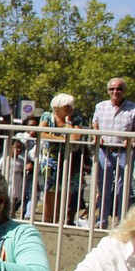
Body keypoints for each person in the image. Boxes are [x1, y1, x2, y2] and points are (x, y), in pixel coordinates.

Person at [91, 77, 135, 230]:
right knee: (103, 187)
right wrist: (96, 136)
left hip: (124, 152)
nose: (115, 92)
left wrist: (131, 140)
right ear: (108, 91)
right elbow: (95, 124)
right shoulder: (100, 106)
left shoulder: (133, 108)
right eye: (112, 89)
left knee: (124, 189)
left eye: (119, 89)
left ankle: (123, 223)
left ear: (124, 91)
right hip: (105, 151)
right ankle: (102, 220)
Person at [38, 92, 87, 223]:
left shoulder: (76, 118)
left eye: (71, 106)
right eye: (67, 106)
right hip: (51, 159)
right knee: (50, 189)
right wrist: (62, 139)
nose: (70, 108)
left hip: (71, 159)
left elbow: (75, 138)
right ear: (57, 107)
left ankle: (61, 218)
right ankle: (48, 218)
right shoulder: (47, 116)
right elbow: (41, 133)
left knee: (67, 189)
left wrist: (68, 122)